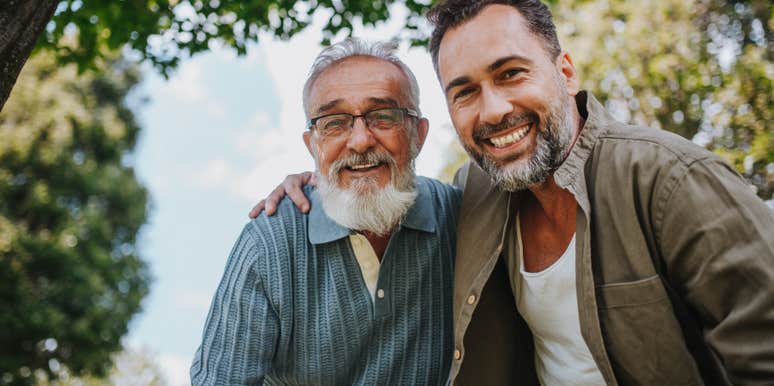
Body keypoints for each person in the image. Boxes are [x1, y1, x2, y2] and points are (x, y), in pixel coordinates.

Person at [253, 1, 774, 385]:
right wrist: (320, 179)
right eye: (465, 92)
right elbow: (382, 184)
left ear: (564, 72)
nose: (494, 109)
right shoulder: (473, 198)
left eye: (511, 74)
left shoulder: (669, 179)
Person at [191, 38, 460, 385]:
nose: (360, 140)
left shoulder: (461, 218)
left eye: (383, 116)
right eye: (334, 122)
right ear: (313, 145)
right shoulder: (270, 245)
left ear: (418, 134)